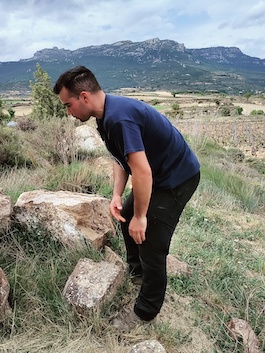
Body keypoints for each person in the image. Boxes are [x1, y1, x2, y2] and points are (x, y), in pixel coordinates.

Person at [53, 66, 200, 330]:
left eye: (68, 104)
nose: (69, 112)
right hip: (157, 175)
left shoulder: (119, 119)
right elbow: (121, 159)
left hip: (177, 178)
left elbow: (142, 172)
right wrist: (117, 195)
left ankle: (144, 312)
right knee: (125, 215)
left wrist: (143, 217)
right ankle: (137, 273)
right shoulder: (104, 116)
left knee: (152, 243)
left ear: (84, 97)